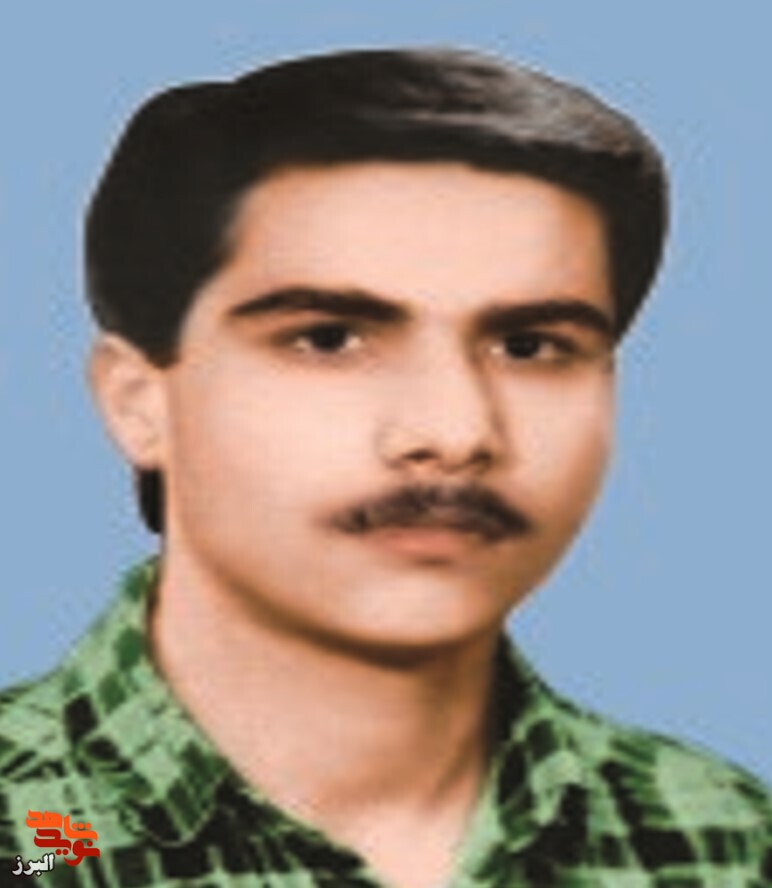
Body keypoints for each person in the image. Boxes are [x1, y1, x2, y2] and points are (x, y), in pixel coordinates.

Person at [1, 47, 769, 887]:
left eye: (529, 346)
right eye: (329, 338)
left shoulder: (721, 840)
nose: (456, 431)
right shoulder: (30, 838)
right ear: (137, 403)